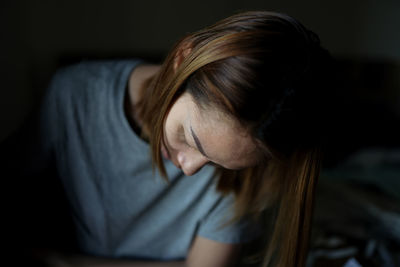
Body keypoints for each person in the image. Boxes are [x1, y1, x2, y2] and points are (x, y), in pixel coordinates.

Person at [1, 11, 333, 267]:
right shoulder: (72, 97)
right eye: (190, 139)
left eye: (216, 163)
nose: (189, 170)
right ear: (181, 61)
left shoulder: (251, 160)